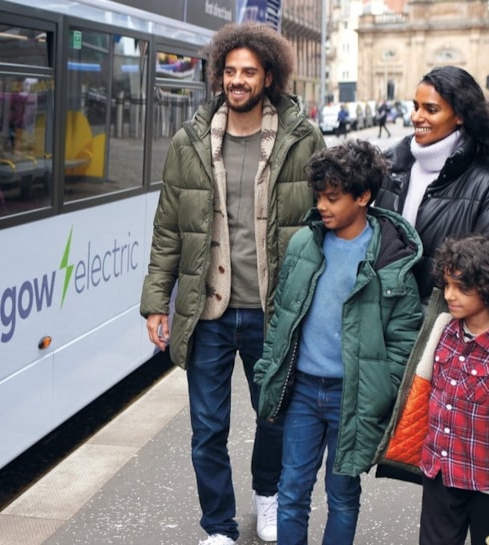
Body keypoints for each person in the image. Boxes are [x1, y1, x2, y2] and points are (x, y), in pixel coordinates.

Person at [140, 21, 326, 545]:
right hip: (209, 311)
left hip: (274, 310)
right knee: (207, 430)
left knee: (274, 419)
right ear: (219, 75)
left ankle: (267, 496)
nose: (237, 80)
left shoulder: (302, 137)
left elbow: (326, 219)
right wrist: (157, 302)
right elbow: (168, 229)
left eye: (248, 71)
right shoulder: (191, 141)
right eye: (229, 71)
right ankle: (218, 525)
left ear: (269, 75)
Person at [253, 140, 423, 545]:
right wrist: (268, 371)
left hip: (355, 395)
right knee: (291, 489)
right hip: (303, 392)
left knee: (343, 494)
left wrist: (383, 388)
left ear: (363, 196)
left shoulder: (391, 258)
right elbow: (282, 316)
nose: (322, 206)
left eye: (333, 198)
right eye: (319, 197)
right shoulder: (303, 245)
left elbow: (404, 335)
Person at [377, 234, 489, 545]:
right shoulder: (440, 330)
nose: (450, 295)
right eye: (446, 285)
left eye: (462, 288)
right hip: (441, 476)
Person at [373, 65, 489, 303]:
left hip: (443, 328)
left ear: (460, 115)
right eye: (416, 107)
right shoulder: (392, 167)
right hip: (385, 321)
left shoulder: (487, 186)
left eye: (431, 109)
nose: (417, 117)